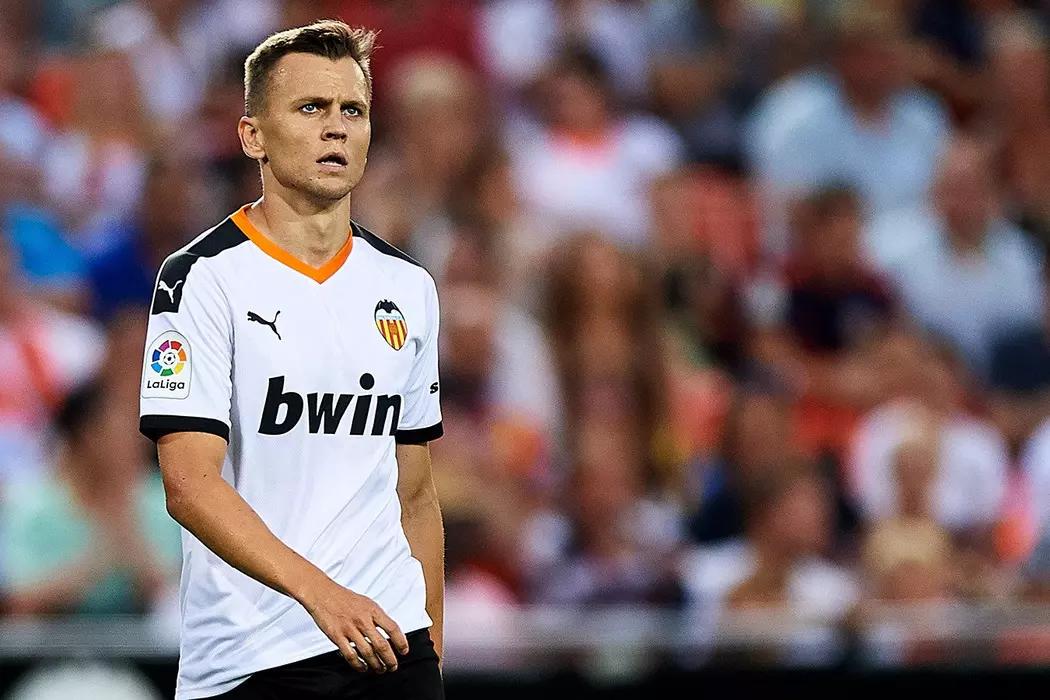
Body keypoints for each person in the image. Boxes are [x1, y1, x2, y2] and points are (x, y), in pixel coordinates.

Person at [137, 21, 445, 700]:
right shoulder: (200, 278)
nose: (336, 127)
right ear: (254, 136)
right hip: (253, 656)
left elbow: (416, 495)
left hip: (392, 644)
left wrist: (432, 653)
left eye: (352, 110)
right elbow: (189, 485)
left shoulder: (408, 287)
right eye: (311, 107)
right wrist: (323, 596)